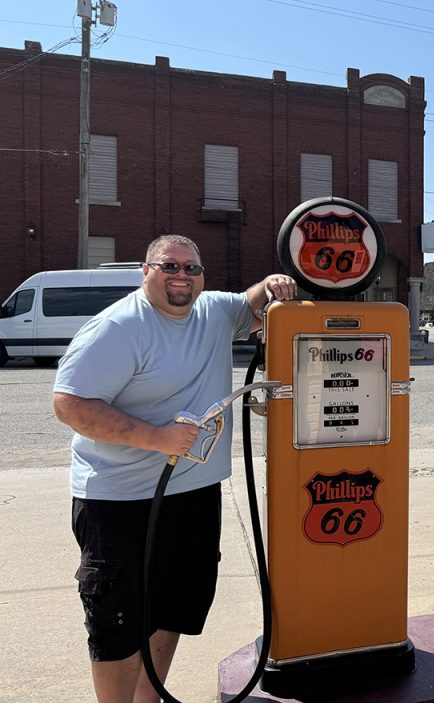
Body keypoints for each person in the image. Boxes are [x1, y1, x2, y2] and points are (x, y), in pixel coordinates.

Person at [52, 235, 297, 703]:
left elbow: (252, 302)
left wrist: (270, 284)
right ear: (146, 271)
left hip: (194, 495)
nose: (181, 276)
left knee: (172, 609)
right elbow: (69, 404)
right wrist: (156, 437)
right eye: (170, 266)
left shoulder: (214, 311)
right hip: (118, 500)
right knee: (118, 621)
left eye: (191, 268)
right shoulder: (119, 327)